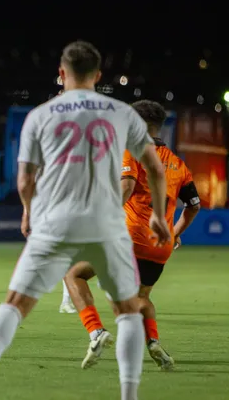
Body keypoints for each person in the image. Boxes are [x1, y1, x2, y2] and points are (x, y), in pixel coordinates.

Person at [0, 41, 171, 400]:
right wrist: (159, 215)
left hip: (56, 220)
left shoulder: (40, 115)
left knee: (15, 303)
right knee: (127, 310)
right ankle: (129, 394)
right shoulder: (121, 112)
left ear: (61, 73)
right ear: (98, 76)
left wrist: (27, 211)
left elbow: (24, 180)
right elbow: (156, 169)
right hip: (107, 221)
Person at [64, 99, 201, 371]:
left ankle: (96, 332)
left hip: (130, 236)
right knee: (141, 298)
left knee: (74, 274)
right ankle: (153, 342)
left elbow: (126, 188)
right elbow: (194, 205)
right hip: (159, 247)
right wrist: (173, 233)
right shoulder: (178, 164)